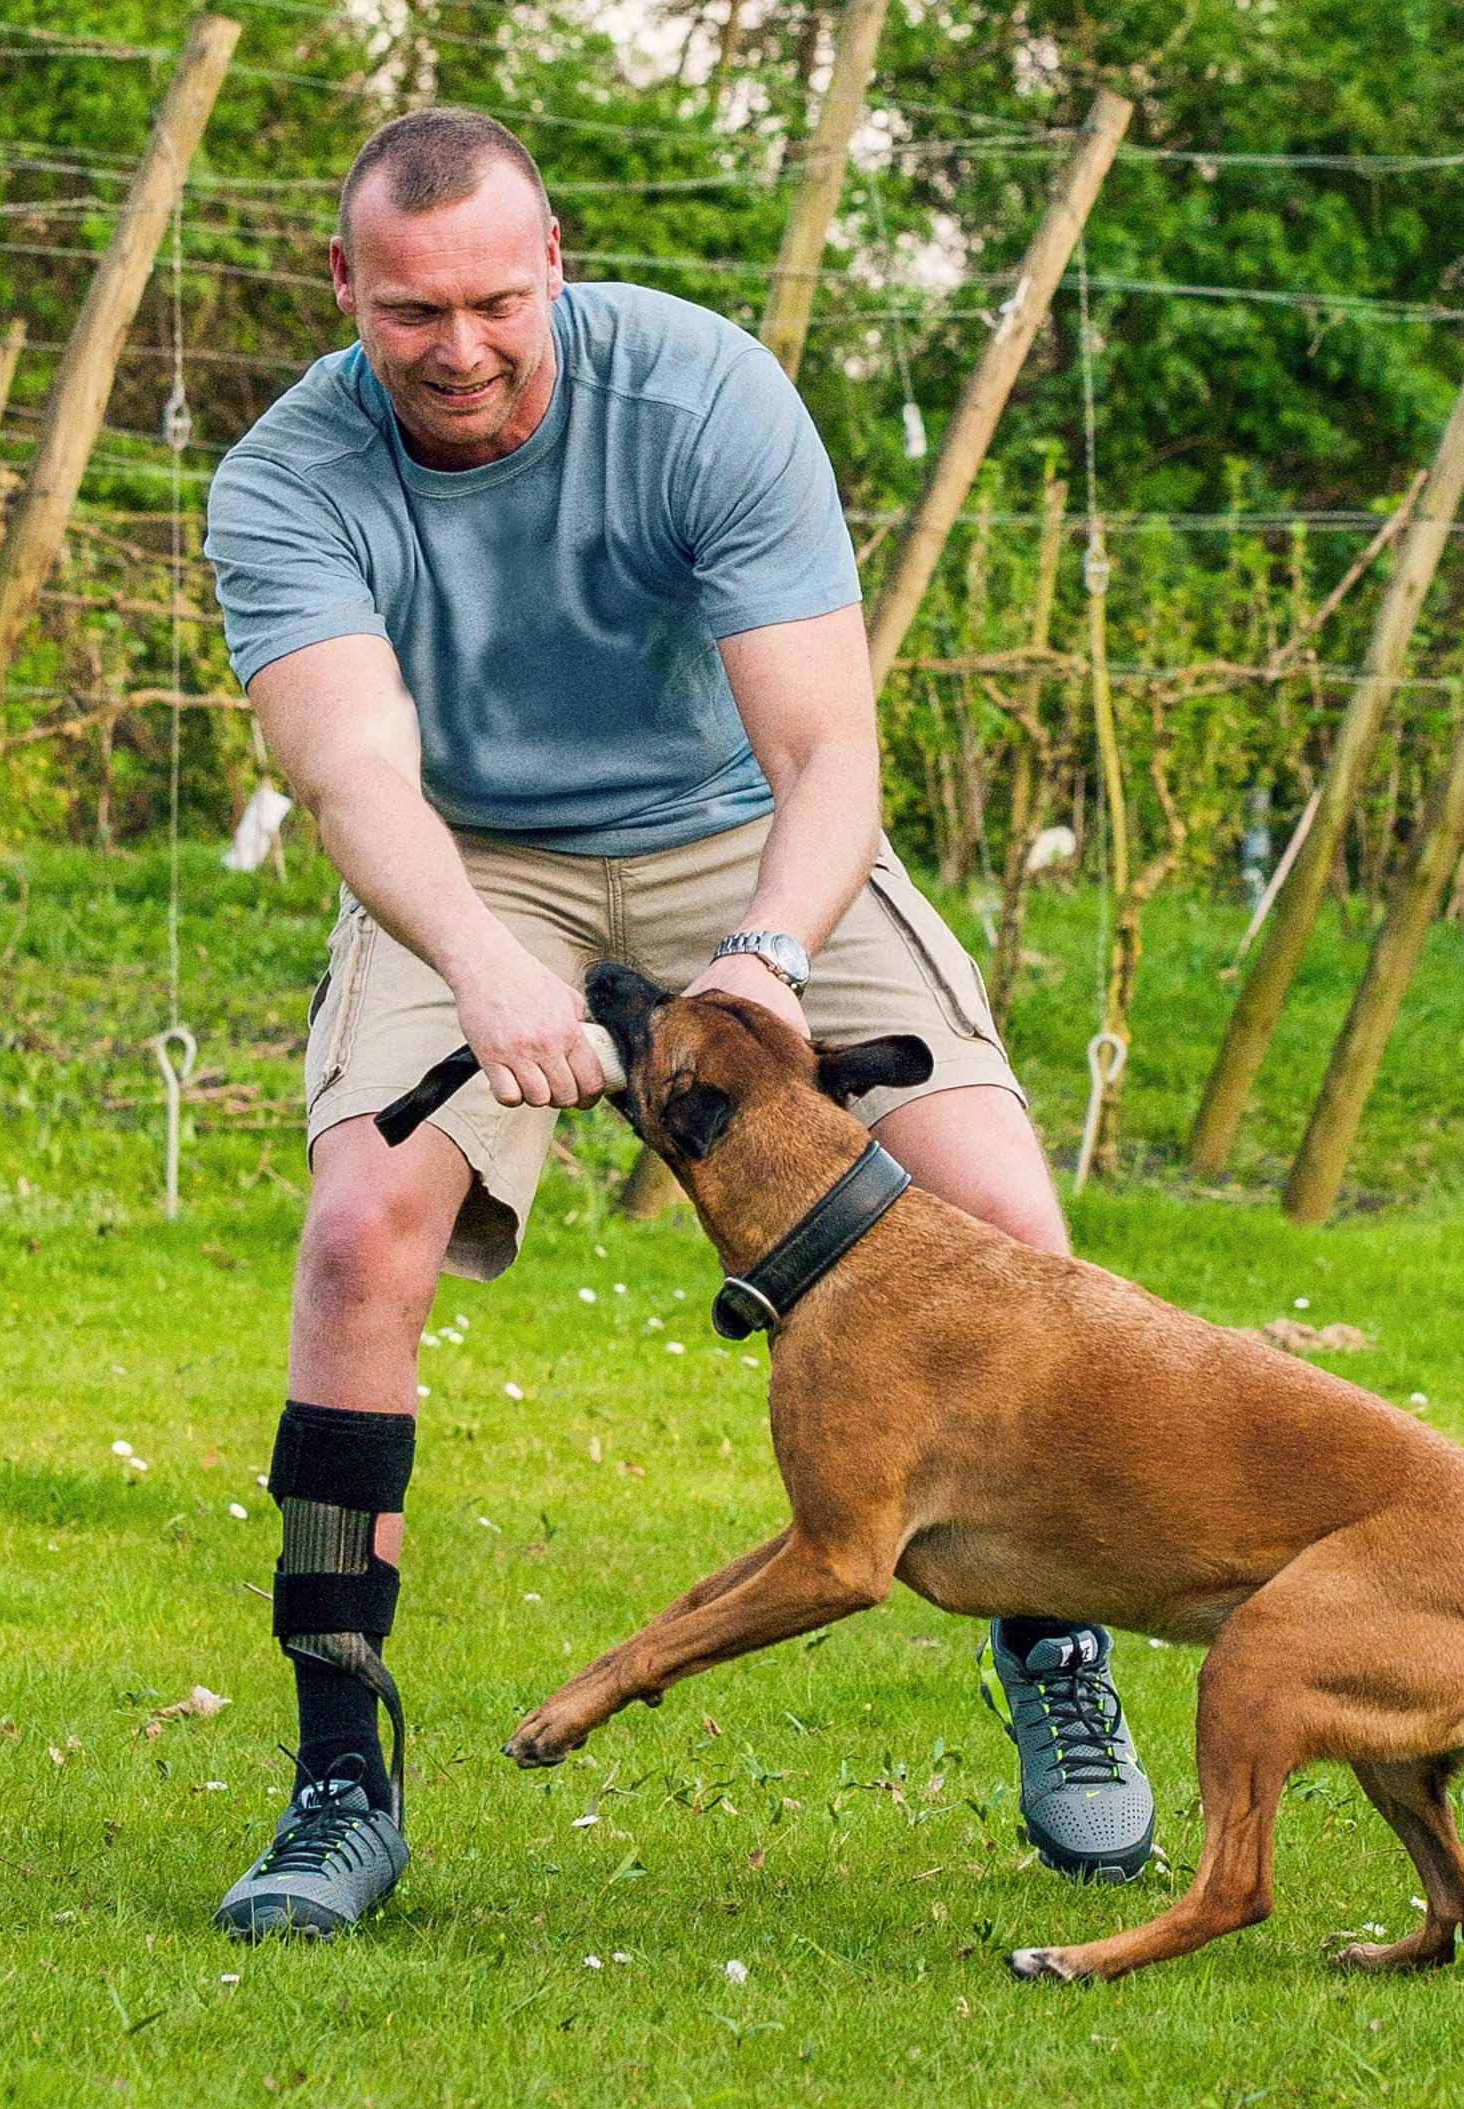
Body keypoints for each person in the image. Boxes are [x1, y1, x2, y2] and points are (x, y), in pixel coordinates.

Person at [198, 106, 1153, 1939]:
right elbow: (352, 774)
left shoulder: (703, 394)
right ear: (345, 290)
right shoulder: (287, 478)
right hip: (470, 862)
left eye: (494, 299)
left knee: (1016, 1229)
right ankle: (339, 1769)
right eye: (411, 314)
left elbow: (826, 752)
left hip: (746, 840)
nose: (460, 348)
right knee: (358, 1239)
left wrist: (773, 962)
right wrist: (482, 963)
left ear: (554, 260)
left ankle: (1058, 1653)